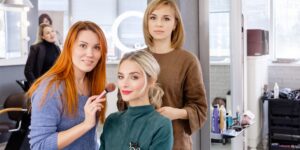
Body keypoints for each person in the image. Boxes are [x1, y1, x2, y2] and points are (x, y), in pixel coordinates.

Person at [117, 0, 208, 149]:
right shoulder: (135, 59)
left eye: (166, 18)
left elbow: (200, 108)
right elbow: (122, 104)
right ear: (147, 22)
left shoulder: (188, 61)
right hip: (138, 141)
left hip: (175, 142)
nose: (159, 24)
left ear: (175, 24)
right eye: (153, 18)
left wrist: (177, 113)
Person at [27, 21, 108, 150]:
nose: (90, 54)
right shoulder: (51, 88)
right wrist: (85, 124)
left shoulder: (93, 83)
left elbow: (88, 138)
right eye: (83, 45)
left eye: (97, 47)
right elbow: (40, 145)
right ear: (69, 47)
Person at [100, 50, 173, 150]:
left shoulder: (161, 125)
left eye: (134, 77)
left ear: (151, 81)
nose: (124, 84)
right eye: (121, 77)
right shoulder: (111, 121)